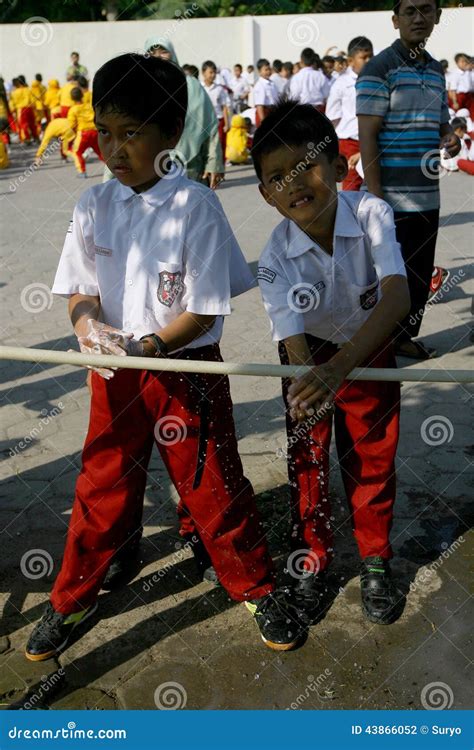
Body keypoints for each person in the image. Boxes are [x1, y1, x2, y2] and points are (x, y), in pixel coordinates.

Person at [24, 53, 303, 662]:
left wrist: (147, 347)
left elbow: (203, 312)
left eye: (132, 134)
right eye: (105, 133)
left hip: (184, 372)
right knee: (102, 483)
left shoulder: (195, 206)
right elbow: (80, 288)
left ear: (171, 134)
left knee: (211, 483)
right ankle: (73, 597)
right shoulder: (90, 206)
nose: (114, 149)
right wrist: (88, 327)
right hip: (114, 374)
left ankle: (254, 584)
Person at [252, 101, 410, 626]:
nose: (294, 184)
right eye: (277, 177)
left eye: (305, 167)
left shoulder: (371, 214)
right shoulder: (275, 257)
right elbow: (290, 336)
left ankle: (374, 559)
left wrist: (341, 367)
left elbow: (396, 299)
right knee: (309, 459)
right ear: (266, 195)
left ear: (339, 168)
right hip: (310, 356)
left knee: (371, 455)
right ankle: (313, 559)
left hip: (367, 349)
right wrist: (306, 385)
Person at [356, 0, 461, 361]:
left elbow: (441, 121)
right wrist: (375, 197)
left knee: (418, 273)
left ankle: (402, 338)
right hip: (391, 199)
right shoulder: (379, 68)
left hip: (427, 194)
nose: (419, 18)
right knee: (389, 275)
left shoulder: (435, 70)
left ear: (437, 17)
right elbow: (367, 136)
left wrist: (450, 136)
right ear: (395, 19)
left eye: (426, 10)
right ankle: (379, 342)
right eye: (411, 10)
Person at [144, 37, 224, 188]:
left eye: (163, 51)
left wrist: (214, 164)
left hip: (191, 168)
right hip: (149, 168)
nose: (158, 56)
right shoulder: (139, 90)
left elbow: (210, 128)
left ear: (172, 54)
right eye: (152, 52)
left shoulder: (191, 86)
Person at [326, 36, 374, 191]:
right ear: (351, 60)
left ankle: (374, 214)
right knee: (352, 183)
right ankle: (350, 214)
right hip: (350, 141)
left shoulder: (378, 80)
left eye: (370, 57)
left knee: (376, 180)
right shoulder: (341, 83)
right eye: (363, 57)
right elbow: (333, 115)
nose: (368, 61)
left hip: (373, 139)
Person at [68, 87, 103, 177]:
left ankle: (82, 172)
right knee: (101, 152)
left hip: (83, 134)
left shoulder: (73, 109)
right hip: (95, 132)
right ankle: (112, 169)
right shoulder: (89, 106)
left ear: (71, 98)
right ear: (82, 95)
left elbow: (71, 125)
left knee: (77, 152)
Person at [201, 60, 230, 157]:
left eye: (214, 73)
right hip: (203, 121)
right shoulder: (199, 87)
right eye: (210, 72)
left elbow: (224, 107)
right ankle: (206, 171)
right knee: (205, 147)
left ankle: (219, 170)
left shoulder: (220, 89)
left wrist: (227, 123)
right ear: (203, 73)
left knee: (220, 145)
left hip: (218, 120)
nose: (213, 75)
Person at [9, 77, 37, 143]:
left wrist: (12, 110)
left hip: (21, 110)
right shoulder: (28, 90)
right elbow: (33, 100)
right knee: (32, 123)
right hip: (29, 108)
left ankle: (27, 139)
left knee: (23, 125)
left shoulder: (13, 93)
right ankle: (36, 137)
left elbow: (11, 103)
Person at [253, 58, 279, 126]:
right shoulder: (260, 85)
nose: (268, 72)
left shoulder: (272, 83)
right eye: (266, 70)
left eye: (269, 69)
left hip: (272, 113)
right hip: (264, 114)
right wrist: (263, 121)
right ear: (259, 71)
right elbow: (259, 105)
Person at [455, 53, 474, 119]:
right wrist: (455, 102)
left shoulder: (470, 72)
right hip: (461, 96)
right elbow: (452, 89)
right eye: (463, 61)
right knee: (461, 113)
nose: (465, 63)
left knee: (472, 113)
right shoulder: (457, 73)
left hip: (471, 95)